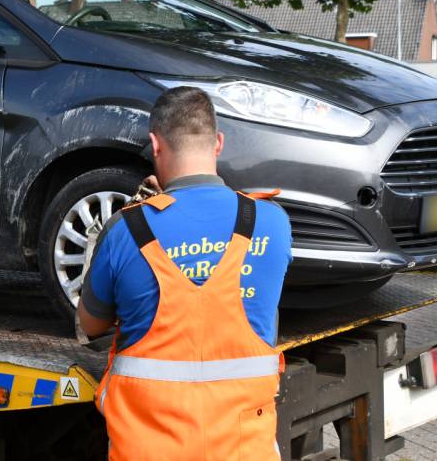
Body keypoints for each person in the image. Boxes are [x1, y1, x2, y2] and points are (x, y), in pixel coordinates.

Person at [78, 86, 293, 460]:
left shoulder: (126, 230)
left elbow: (90, 326)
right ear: (218, 143)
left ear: (155, 145)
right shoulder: (272, 222)